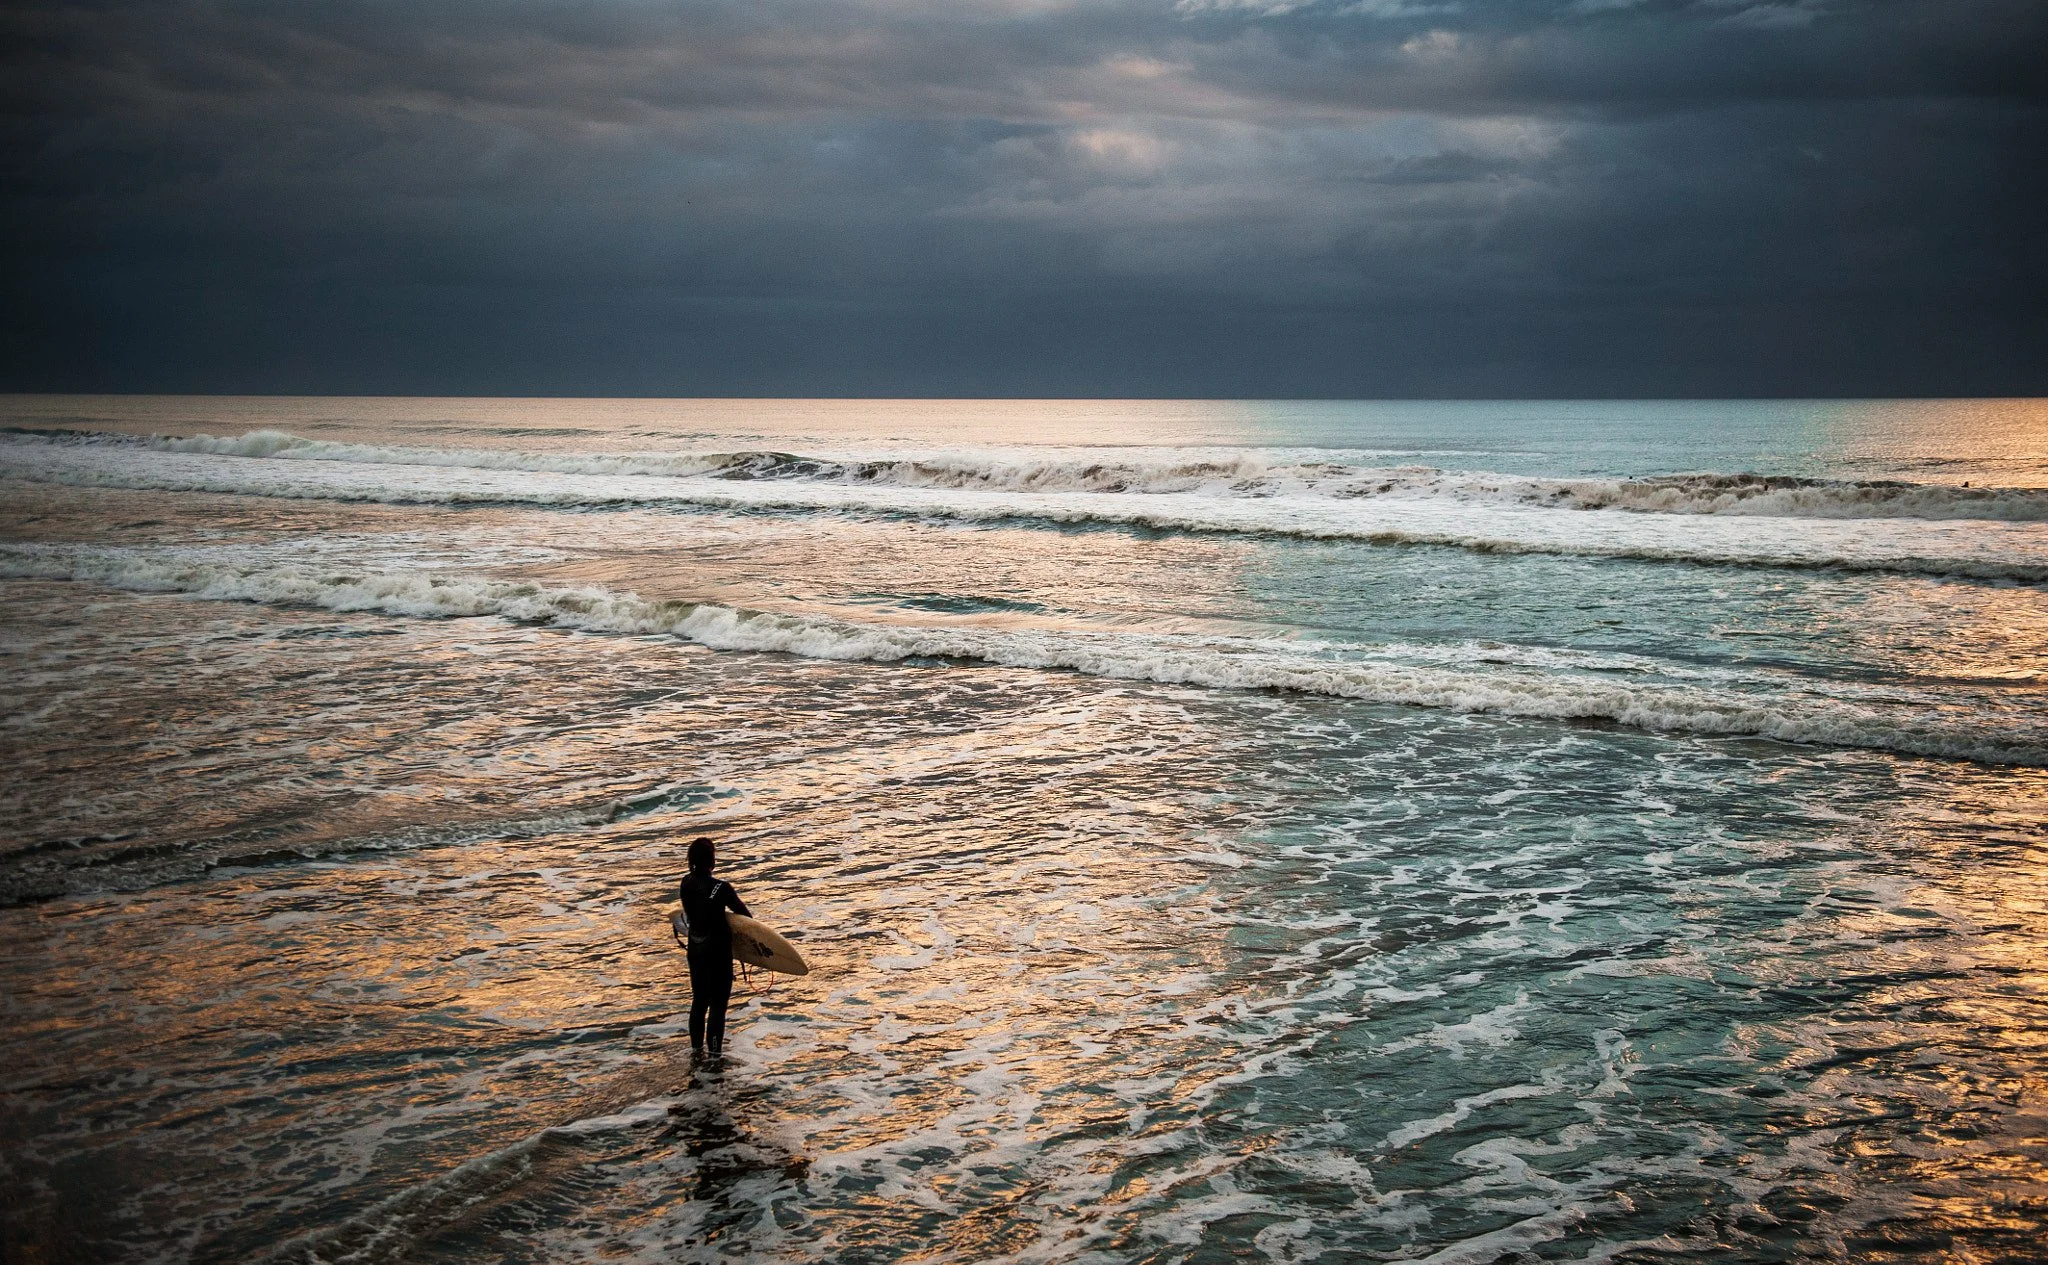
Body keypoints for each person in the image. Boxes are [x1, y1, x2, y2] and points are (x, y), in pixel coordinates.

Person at [678, 836, 750, 1057]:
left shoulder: (685, 883)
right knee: (718, 1006)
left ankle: (696, 1052)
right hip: (717, 953)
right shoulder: (722, 888)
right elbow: (746, 917)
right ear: (713, 861)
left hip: (696, 949)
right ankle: (715, 1056)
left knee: (699, 1002)